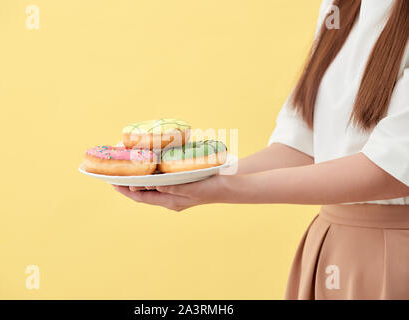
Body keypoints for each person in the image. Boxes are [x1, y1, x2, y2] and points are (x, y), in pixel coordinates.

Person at [114, 0, 409, 299]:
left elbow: (390, 170)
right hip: (330, 246)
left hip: (397, 256)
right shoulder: (338, 7)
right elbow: (301, 147)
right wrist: (193, 175)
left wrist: (228, 188)